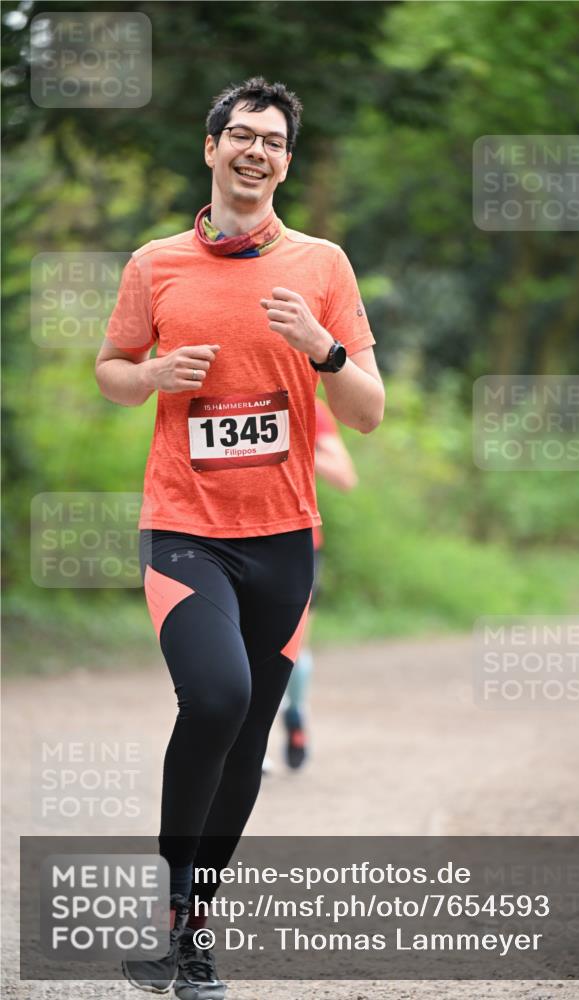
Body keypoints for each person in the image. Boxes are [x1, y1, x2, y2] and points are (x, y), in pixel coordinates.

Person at [95, 76, 384, 999]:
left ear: (285, 163)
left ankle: (190, 935)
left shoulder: (322, 266)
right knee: (216, 699)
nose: (258, 151)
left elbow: (369, 413)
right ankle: (175, 902)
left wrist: (323, 349)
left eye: (275, 142)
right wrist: (149, 376)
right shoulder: (155, 265)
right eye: (242, 136)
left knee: (252, 725)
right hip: (183, 527)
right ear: (212, 147)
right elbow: (109, 370)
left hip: (283, 537)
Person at [282, 397, 358, 769]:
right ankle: (253, 746)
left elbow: (345, 475)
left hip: (297, 543)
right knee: (240, 650)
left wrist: (290, 446)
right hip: (223, 540)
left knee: (290, 650)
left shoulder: (307, 404)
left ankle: (296, 714)